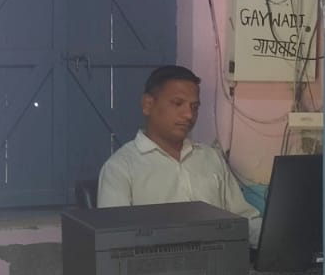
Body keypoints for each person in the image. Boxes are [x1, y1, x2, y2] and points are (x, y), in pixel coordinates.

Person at [97, 65, 262, 244]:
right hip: (157, 260)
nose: (189, 115)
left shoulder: (210, 158)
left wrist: (272, 237)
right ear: (148, 105)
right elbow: (114, 240)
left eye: (194, 107)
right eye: (177, 103)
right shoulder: (120, 168)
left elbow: (244, 220)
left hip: (218, 257)